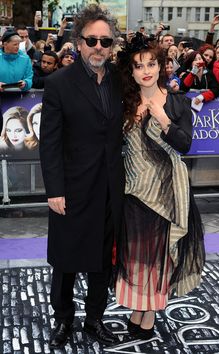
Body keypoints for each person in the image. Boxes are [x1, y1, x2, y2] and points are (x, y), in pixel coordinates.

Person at [39, 4, 124, 349]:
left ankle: (94, 319)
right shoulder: (59, 83)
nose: (99, 47)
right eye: (92, 40)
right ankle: (63, 319)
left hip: (110, 187)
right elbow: (50, 142)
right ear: (79, 41)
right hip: (72, 188)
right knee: (66, 258)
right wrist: (54, 189)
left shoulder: (121, 80)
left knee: (104, 259)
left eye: (106, 41)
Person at [115, 33, 205, 340]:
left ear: (161, 65)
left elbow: (186, 145)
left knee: (158, 254)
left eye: (151, 63)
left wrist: (163, 118)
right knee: (134, 254)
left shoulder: (177, 102)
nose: (146, 70)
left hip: (166, 191)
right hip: (132, 189)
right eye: (139, 66)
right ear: (132, 71)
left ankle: (148, 311)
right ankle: (138, 307)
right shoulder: (124, 104)